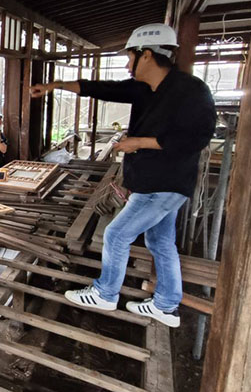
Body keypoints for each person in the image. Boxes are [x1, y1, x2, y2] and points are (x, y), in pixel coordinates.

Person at [30, 23, 216, 327]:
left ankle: (105, 293)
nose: (127, 64)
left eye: (130, 57)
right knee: (160, 242)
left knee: (117, 234)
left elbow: (197, 137)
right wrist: (54, 86)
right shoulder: (145, 89)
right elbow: (102, 88)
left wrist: (139, 143)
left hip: (163, 186)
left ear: (147, 55)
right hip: (153, 184)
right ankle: (166, 305)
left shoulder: (191, 91)